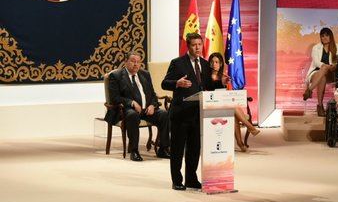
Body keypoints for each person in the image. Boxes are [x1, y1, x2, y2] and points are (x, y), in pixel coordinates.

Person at [162, 32, 212, 190]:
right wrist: (177, 83)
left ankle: (191, 178)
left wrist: (220, 82)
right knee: (177, 149)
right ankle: (177, 180)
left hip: (198, 113)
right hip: (181, 113)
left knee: (194, 149)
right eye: (194, 45)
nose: (197, 48)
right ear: (188, 46)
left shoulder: (204, 64)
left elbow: (208, 86)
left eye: (199, 44)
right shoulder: (177, 63)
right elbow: (164, 83)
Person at [105, 52, 170, 161]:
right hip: (126, 110)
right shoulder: (116, 76)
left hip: (146, 110)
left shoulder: (145, 74)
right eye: (133, 61)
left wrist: (153, 105)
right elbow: (114, 98)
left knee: (164, 114)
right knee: (132, 115)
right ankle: (134, 151)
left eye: (138, 62)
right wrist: (131, 103)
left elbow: (152, 94)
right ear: (125, 62)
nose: (136, 64)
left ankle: (163, 149)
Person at [208, 52, 261, 152]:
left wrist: (228, 84)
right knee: (231, 106)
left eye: (217, 62)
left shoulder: (224, 76)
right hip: (213, 104)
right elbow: (208, 90)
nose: (214, 64)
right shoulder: (207, 77)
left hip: (225, 104)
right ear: (209, 64)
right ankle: (249, 127)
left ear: (221, 64)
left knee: (233, 114)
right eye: (212, 62)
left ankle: (240, 143)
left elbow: (229, 94)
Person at [303, 27, 338, 117]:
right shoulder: (316, 47)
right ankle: (320, 106)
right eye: (322, 36)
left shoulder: (337, 46)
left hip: (332, 73)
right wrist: (326, 66)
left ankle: (309, 90)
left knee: (324, 70)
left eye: (327, 36)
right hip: (316, 72)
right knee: (322, 75)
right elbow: (316, 62)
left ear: (330, 36)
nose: (324, 38)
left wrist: (332, 66)